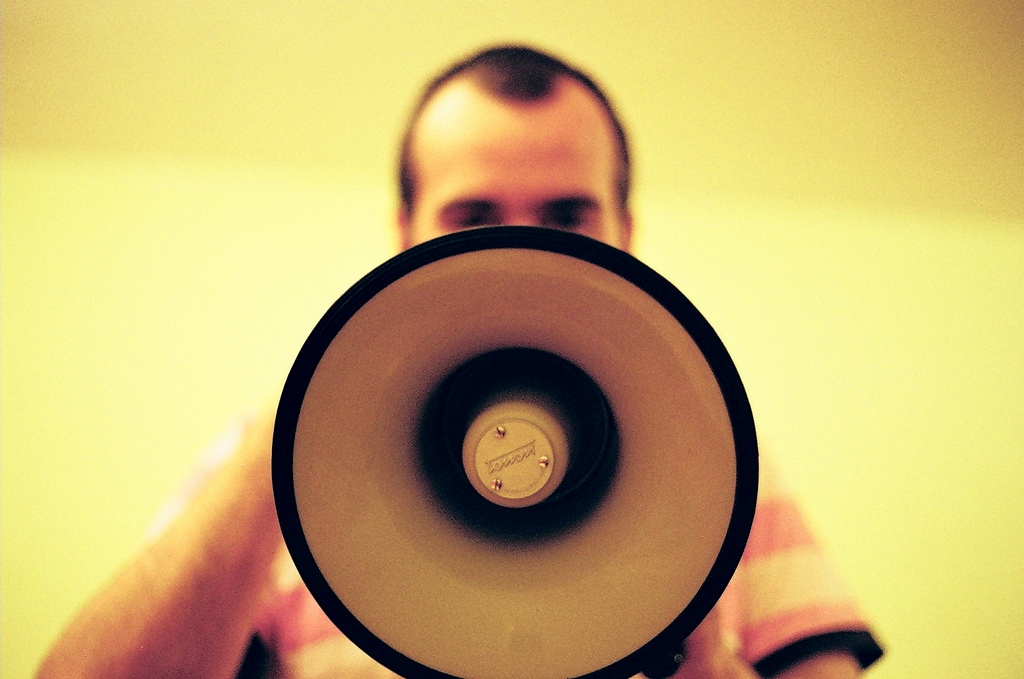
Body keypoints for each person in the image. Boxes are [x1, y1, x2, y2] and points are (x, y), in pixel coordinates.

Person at [36, 45, 883, 679]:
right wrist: (296, 427)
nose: (518, 254)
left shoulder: (726, 459)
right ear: (402, 236)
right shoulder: (271, 455)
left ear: (628, 235)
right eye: (473, 216)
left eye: (565, 217)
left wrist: (687, 637)